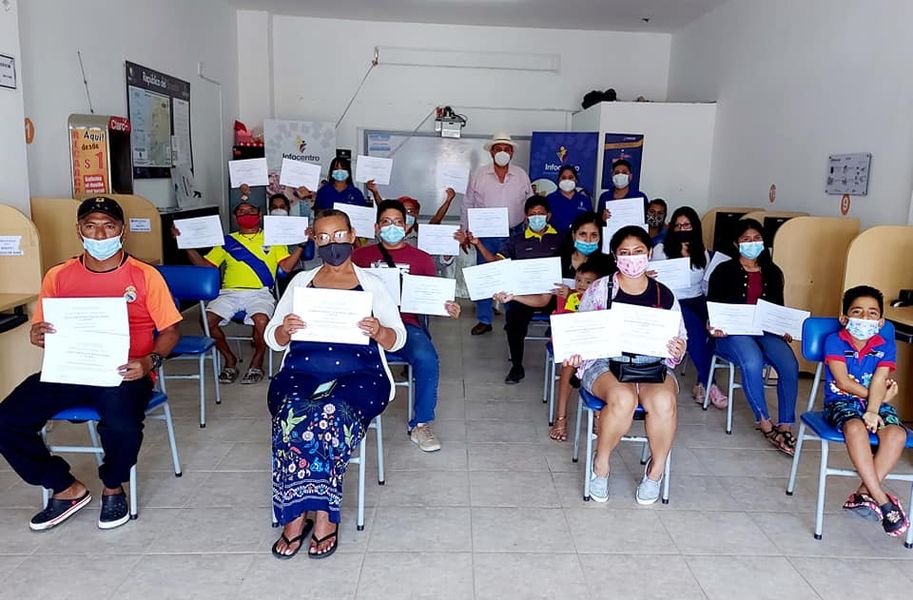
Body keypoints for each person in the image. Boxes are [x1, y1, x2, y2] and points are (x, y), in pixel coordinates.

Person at [0, 197, 182, 531]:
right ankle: (64, 487)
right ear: (78, 230)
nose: (99, 235)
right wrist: (38, 333)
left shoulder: (145, 275)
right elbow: (43, 326)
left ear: (122, 231)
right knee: (7, 419)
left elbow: (170, 331)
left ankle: (113, 486)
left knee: (121, 425)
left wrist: (150, 361)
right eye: (91, 226)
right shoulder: (58, 275)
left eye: (108, 227)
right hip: (70, 369)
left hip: (124, 372)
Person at [265, 208, 406, 559]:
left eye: (339, 235)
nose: (333, 244)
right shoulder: (301, 282)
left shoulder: (373, 284)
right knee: (294, 411)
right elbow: (272, 337)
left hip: (360, 374)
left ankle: (325, 514)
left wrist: (379, 330)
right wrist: (285, 330)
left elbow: (398, 339)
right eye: (324, 238)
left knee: (329, 413)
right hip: (302, 370)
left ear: (353, 235)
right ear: (314, 240)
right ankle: (295, 514)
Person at [564, 225, 687, 504]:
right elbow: (583, 330)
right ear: (615, 256)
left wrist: (678, 348)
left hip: (652, 364)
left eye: (638, 251)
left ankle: (655, 471)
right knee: (623, 398)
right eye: (625, 253)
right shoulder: (600, 289)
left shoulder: (663, 294)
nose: (632, 259)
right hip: (605, 363)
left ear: (649, 253)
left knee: (664, 401)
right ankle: (601, 464)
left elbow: (680, 336)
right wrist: (577, 351)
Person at [353, 200, 461, 452]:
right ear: (376, 227)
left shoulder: (421, 259)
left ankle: (421, 424)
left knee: (427, 358)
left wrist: (447, 307)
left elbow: (433, 296)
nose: (392, 227)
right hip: (365, 324)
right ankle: (347, 416)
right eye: (386, 222)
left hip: (406, 326)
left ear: (407, 226)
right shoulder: (359, 257)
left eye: (398, 222)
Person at [177, 202, 304, 385]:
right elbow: (205, 267)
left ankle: (257, 361)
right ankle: (229, 359)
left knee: (261, 321)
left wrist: (301, 246)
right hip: (229, 293)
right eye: (242, 212)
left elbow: (286, 267)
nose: (247, 214)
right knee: (207, 320)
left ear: (259, 215)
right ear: (236, 218)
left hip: (260, 293)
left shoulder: (273, 240)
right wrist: (186, 244)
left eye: (251, 211)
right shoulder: (226, 241)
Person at [707, 218, 798, 455]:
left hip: (765, 331)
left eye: (756, 238)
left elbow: (778, 308)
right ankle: (765, 423)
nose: (752, 243)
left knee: (789, 363)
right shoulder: (723, 271)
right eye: (746, 239)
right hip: (732, 333)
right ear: (736, 244)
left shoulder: (773, 272)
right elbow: (712, 307)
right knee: (752, 360)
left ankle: (785, 425)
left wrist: (784, 327)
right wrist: (713, 326)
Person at [823, 285, 909, 537]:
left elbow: (881, 378)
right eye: (857, 312)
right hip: (840, 402)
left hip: (874, 402)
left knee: (897, 434)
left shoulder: (886, 345)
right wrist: (878, 398)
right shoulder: (835, 341)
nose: (865, 317)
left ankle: (863, 493)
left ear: (881, 321)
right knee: (854, 427)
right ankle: (882, 500)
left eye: (872, 313)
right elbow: (843, 382)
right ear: (844, 318)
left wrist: (873, 408)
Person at [459, 196, 561, 384]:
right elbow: (495, 262)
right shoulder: (516, 241)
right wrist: (478, 244)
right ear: (525, 218)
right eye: (532, 214)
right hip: (524, 296)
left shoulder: (561, 239)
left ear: (548, 216)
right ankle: (517, 366)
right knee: (513, 320)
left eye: (540, 213)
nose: (536, 217)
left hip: (555, 295)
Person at [652, 206, 728, 408]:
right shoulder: (660, 250)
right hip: (673, 301)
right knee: (695, 329)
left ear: (695, 227)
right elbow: (654, 280)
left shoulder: (702, 252)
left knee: (715, 328)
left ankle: (701, 383)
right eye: (678, 226)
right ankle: (710, 384)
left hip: (697, 299)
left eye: (686, 225)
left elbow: (705, 284)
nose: (682, 229)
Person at [462, 132, 533, 335]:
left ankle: (512, 318)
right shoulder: (479, 175)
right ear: (491, 152)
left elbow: (530, 203)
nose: (502, 152)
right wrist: (465, 230)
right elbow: (467, 203)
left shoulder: (521, 175)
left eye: (506, 149)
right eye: (498, 149)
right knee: (485, 275)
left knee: (511, 277)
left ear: (512, 153)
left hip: (514, 233)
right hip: (485, 235)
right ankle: (484, 319)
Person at [548, 260, 609, 442]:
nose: (582, 285)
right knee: (567, 369)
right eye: (579, 280)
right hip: (575, 344)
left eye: (588, 282)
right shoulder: (571, 297)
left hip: (597, 346)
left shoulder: (605, 299)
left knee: (604, 370)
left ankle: (598, 416)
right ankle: (561, 418)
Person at [313, 156, 382, 210]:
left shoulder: (356, 193)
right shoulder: (323, 191)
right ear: (332, 172)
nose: (340, 171)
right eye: (336, 168)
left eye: (343, 168)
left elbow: (363, 213)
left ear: (348, 171)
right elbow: (318, 213)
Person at [546, 165, 592, 236]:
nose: (567, 180)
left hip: (579, 240)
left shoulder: (585, 200)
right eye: (563, 178)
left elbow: (591, 222)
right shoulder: (550, 199)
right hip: (555, 240)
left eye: (571, 177)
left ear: (576, 180)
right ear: (558, 180)